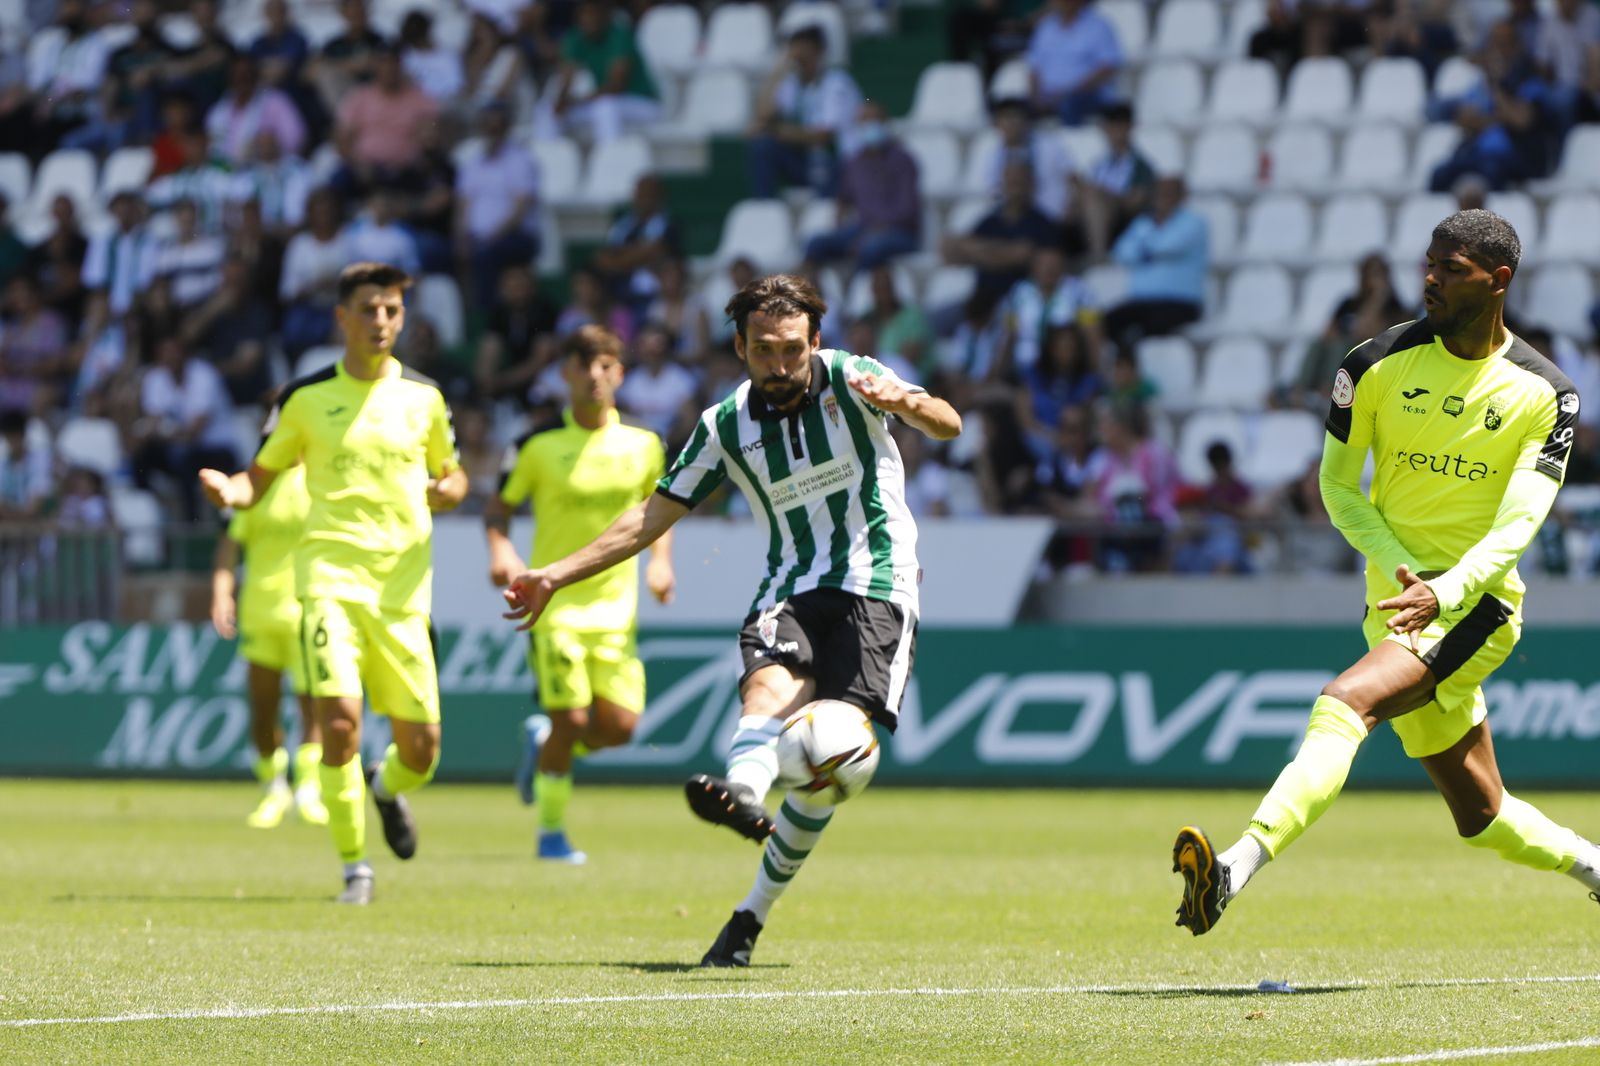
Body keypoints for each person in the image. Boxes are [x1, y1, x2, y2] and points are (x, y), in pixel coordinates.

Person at [501, 274, 962, 967]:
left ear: (814, 341)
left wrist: (913, 403)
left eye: (792, 351)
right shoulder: (723, 424)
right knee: (768, 689)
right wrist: (552, 576)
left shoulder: (850, 376)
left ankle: (749, 915)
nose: (780, 366)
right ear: (739, 346)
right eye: (765, 352)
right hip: (792, 585)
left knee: (834, 756)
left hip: (878, 586)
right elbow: (652, 516)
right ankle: (745, 793)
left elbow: (948, 422)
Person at [1172, 210, 1600, 936]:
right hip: (1397, 604)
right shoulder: (1371, 364)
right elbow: (1337, 488)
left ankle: (1233, 871)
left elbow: (1520, 521)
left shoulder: (1546, 392)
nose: (1430, 278)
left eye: (1451, 268)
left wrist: (1447, 588)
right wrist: (1401, 568)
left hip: (1476, 606)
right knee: (1483, 814)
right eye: (1428, 262)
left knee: (1345, 704)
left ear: (1499, 281)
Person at [198, 262, 468, 905]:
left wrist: (445, 491)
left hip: (403, 595)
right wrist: (226, 491)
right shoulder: (304, 398)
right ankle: (355, 867)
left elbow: (452, 475)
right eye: (369, 309)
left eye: (393, 311)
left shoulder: (425, 398)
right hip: (327, 583)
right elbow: (254, 481)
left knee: (423, 751)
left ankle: (387, 786)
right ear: (342, 318)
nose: (381, 321)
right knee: (339, 724)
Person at [484, 325, 676, 863]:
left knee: (618, 728)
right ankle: (550, 834)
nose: (594, 375)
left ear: (620, 372)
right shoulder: (535, 444)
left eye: (605, 365)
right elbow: (498, 509)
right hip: (554, 605)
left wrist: (661, 563)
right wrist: (501, 550)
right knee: (571, 719)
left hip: (616, 609)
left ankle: (543, 744)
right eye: (583, 365)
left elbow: (661, 513)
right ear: (564, 373)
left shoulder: (645, 446)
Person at [210, 463, 327, 829]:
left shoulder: (321, 479)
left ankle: (309, 789)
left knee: (314, 707)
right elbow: (229, 547)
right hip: (261, 612)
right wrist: (221, 594)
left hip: (311, 611)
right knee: (263, 710)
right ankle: (274, 788)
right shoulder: (254, 485)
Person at [748, 26, 863, 198]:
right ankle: (765, 209)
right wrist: (780, 68)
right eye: (795, 53)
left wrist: (773, 130)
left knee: (820, 163)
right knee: (762, 147)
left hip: (838, 162)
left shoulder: (838, 83)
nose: (800, 58)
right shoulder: (792, 84)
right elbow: (763, 114)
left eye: (805, 52)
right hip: (806, 160)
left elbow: (823, 136)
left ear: (820, 52)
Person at [1104, 176, 1208, 358]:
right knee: (1106, 323)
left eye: (1170, 194)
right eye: (1160, 193)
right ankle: (1125, 370)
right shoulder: (1143, 223)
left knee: (1149, 329)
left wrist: (1142, 250)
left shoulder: (1193, 222)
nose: (1163, 198)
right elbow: (1121, 252)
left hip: (1180, 302)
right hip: (1142, 302)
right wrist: (1152, 250)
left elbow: (1171, 246)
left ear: (1181, 197)